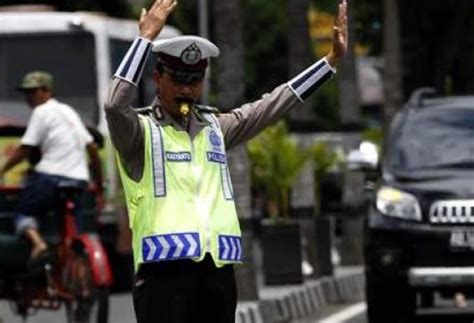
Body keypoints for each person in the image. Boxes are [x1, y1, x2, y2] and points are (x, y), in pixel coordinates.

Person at [105, 0, 347, 322]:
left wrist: (329, 62)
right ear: (157, 77)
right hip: (163, 276)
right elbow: (113, 105)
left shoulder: (216, 128)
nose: (186, 89)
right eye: (177, 79)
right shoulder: (139, 132)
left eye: (194, 80)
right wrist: (145, 39)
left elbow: (271, 105)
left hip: (216, 275)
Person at [0, 70, 103, 263]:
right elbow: (92, 150)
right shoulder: (68, 111)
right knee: (75, 230)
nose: (29, 97)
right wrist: (98, 186)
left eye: (33, 92)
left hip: (49, 177)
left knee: (23, 214)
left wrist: (3, 170)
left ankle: (39, 244)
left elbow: (25, 149)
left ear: (47, 91)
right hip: (79, 181)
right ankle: (74, 260)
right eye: (26, 93)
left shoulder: (41, 111)